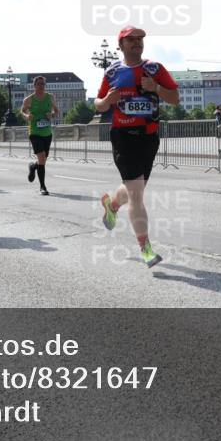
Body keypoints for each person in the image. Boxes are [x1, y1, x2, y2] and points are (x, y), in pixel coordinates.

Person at [95, 26, 179, 269]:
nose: (137, 43)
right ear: (120, 45)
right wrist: (108, 101)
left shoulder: (154, 68)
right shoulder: (112, 72)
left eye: (140, 39)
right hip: (123, 136)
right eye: (131, 40)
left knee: (135, 190)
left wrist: (156, 88)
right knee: (136, 193)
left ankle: (111, 204)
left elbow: (174, 98)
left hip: (149, 136)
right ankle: (146, 249)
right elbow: (99, 105)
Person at [22, 76, 59, 195]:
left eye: (43, 84)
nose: (41, 86)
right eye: (39, 84)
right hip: (35, 132)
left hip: (47, 133)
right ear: (34, 86)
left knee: (43, 159)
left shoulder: (50, 97)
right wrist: (27, 116)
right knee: (42, 156)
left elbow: (56, 111)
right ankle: (43, 187)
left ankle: (33, 167)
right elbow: (22, 111)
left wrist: (52, 115)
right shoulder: (29, 99)